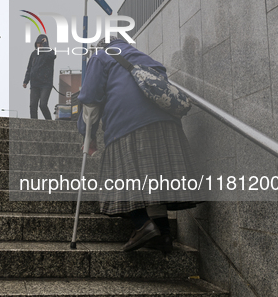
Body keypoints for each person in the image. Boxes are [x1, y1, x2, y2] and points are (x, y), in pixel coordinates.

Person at [77, 36, 201, 253]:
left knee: (120, 176)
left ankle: (143, 226)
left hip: (128, 122)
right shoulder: (142, 57)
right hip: (166, 123)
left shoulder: (100, 57)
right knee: (155, 179)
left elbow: (90, 99)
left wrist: (87, 134)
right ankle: (164, 235)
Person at [23, 34, 56, 119]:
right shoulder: (34, 54)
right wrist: (26, 81)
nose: (39, 45)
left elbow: (53, 56)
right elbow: (29, 68)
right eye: (38, 43)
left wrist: (45, 46)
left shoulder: (49, 52)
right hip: (35, 84)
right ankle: (34, 123)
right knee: (33, 105)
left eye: (41, 43)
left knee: (43, 105)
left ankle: (49, 123)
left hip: (46, 84)